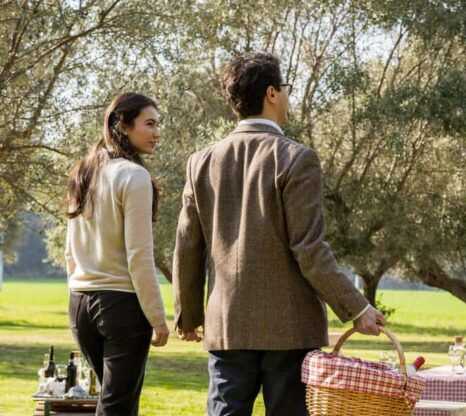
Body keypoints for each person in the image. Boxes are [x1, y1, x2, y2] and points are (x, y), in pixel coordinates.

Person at [172, 51, 386, 416]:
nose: (287, 97)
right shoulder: (296, 158)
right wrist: (356, 308)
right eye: (285, 88)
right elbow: (310, 248)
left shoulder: (201, 161)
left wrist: (188, 313)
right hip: (289, 329)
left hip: (228, 325)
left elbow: (188, 245)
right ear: (272, 93)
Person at [65, 92, 170, 415]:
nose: (157, 132)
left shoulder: (84, 171)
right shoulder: (134, 176)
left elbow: (70, 251)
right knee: (118, 406)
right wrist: (158, 319)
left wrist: (78, 288)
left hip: (80, 305)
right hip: (120, 306)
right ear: (122, 126)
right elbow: (140, 255)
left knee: (111, 402)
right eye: (149, 124)